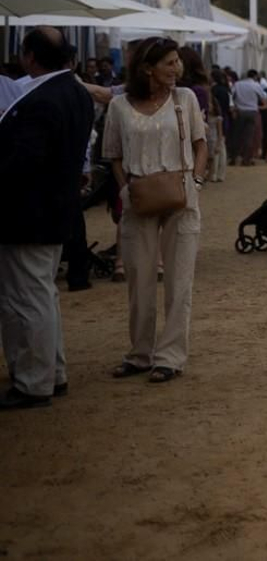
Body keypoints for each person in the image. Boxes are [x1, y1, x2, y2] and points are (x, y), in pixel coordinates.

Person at [102, 36, 207, 385]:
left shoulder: (185, 98)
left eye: (178, 62)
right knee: (139, 280)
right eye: (169, 63)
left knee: (179, 281)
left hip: (182, 196)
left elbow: (200, 142)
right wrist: (124, 187)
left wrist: (197, 180)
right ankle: (139, 353)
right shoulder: (119, 105)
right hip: (139, 197)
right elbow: (113, 152)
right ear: (148, 67)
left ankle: (171, 357)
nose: (177, 69)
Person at [0, 27, 95, 409]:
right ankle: (50, 373)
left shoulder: (41, 100)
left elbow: (23, 161)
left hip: (30, 215)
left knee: (28, 300)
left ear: (30, 57)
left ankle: (35, 381)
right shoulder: (75, 92)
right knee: (42, 296)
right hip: (54, 211)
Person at [231, 67, 267, 165]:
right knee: (249, 136)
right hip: (252, 112)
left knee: (237, 135)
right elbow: (263, 98)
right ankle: (246, 159)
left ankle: (233, 158)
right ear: (255, 76)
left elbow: (231, 95)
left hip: (240, 111)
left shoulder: (238, 84)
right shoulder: (256, 85)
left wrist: (234, 106)